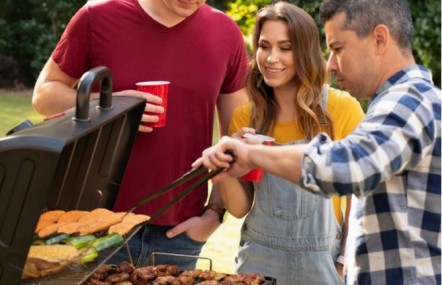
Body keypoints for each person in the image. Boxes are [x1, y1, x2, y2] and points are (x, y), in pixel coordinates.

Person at [193, 0, 441, 284]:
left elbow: (348, 167)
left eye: (337, 49)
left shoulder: (409, 103)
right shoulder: (394, 104)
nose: (331, 64)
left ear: (379, 39)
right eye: (264, 46)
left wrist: (252, 155)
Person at [32, 0, 249, 269]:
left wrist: (213, 214)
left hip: (179, 236)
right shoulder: (97, 15)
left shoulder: (225, 31)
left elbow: (235, 139)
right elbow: (44, 94)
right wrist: (109, 105)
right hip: (93, 229)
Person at [213, 2, 364, 284]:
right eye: (264, 45)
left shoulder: (341, 109)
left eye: (285, 47)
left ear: (305, 51)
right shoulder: (247, 116)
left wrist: (344, 261)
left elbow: (361, 198)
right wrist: (228, 162)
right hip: (258, 261)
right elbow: (239, 208)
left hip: (322, 264)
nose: (271, 58)